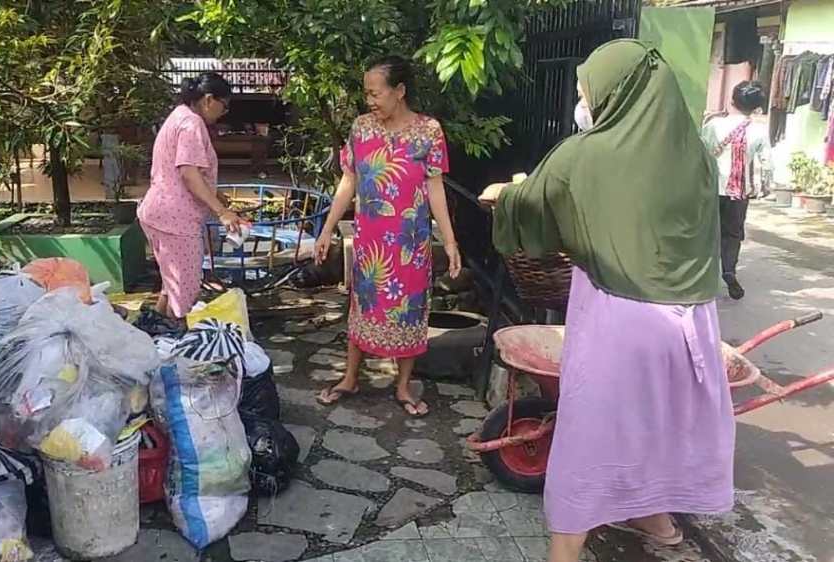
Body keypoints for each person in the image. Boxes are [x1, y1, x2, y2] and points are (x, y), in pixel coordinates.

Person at [481, 40, 734, 562]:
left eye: (585, 92)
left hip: (620, 318)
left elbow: (530, 208)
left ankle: (566, 547)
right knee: (659, 425)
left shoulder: (585, 154)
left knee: (589, 435)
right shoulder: (697, 158)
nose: (582, 102)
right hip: (693, 327)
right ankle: (658, 521)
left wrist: (500, 197)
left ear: (616, 93)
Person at [313, 55, 461, 417]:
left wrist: (451, 240)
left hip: (411, 244)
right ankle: (350, 377)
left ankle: (402, 386)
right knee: (361, 306)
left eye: (375, 93)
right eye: (366, 94)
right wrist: (328, 227)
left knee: (410, 312)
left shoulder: (428, 131)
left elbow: (435, 188)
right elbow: (349, 179)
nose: (370, 101)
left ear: (400, 91)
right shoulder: (361, 129)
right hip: (370, 242)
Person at [138, 72, 243, 319]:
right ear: (208, 99)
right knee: (185, 290)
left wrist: (216, 196)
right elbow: (188, 173)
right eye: (224, 106)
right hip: (176, 219)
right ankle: (176, 345)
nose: (223, 113)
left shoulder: (179, 116)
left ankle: (156, 329)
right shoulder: (192, 123)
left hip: (160, 212)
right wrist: (222, 212)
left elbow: (187, 173)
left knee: (172, 283)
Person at [701, 80, 773, 300]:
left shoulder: (712, 125)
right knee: (732, 235)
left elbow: (701, 152)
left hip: (713, 189)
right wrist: (764, 186)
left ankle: (703, 276)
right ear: (756, 107)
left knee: (707, 233)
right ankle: (729, 271)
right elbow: (766, 163)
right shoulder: (759, 131)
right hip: (738, 192)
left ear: (732, 100)